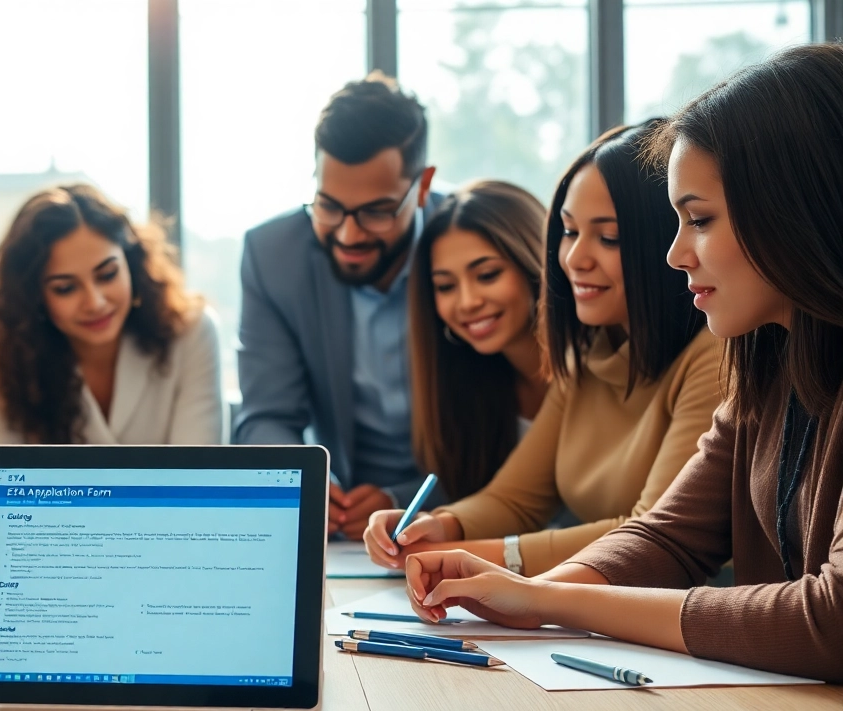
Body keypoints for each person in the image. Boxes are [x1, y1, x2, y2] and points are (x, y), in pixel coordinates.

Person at [401, 43, 843, 682]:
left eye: (699, 220)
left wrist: (553, 597)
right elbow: (668, 537)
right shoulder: (766, 363)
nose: (675, 255)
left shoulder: (719, 357)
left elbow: (828, 622)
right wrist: (537, 595)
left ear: (795, 209)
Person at [366, 120, 721, 576]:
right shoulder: (588, 355)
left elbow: (650, 534)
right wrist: (439, 527)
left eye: (608, 237)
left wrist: (481, 557)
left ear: (665, 241)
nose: (575, 258)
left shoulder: (711, 356)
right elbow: (515, 498)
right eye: (570, 232)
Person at [233, 72, 443, 540]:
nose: (348, 235)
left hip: (458, 514)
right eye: (328, 206)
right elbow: (265, 415)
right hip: (342, 528)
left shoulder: (470, 246)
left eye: (375, 211)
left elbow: (510, 439)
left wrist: (403, 496)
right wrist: (303, 481)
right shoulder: (273, 257)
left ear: (423, 186)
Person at [0, 184, 223, 445]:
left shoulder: (193, 332)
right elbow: (1, 480)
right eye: (66, 288)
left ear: (133, 265)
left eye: (107, 275)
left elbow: (197, 474)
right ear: (32, 296)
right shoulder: (1, 357)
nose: (95, 302)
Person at [408, 180, 549, 502]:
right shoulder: (468, 391)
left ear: (534, 265)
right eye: (445, 286)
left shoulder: (600, 371)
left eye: (487, 275)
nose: (467, 302)